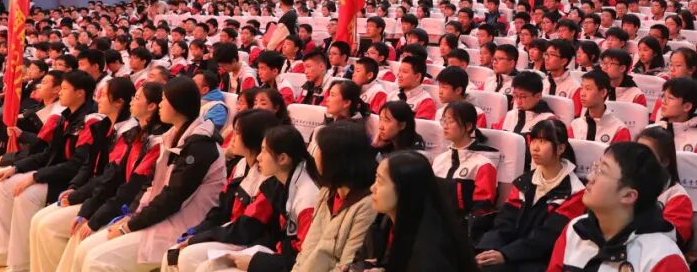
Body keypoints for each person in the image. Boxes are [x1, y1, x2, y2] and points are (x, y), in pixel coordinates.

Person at [69, 76, 226, 272]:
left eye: (164, 100)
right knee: (85, 248)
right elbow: (150, 185)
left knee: (97, 259)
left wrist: (129, 226)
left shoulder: (200, 147)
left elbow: (172, 198)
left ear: (178, 105)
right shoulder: (172, 137)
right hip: (154, 216)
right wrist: (131, 216)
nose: (160, 105)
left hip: (180, 223)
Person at [0, 70, 98, 272]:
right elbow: (47, 153)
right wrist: (16, 167)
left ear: (80, 93)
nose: (60, 93)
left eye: (65, 88)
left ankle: (19, 261)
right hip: (53, 172)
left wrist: (35, 177)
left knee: (25, 193)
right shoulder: (65, 117)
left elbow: (75, 165)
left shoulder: (90, 122)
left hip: (69, 181)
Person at [172, 125, 319, 272]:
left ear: (282, 158)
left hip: (285, 261)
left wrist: (254, 261)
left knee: (203, 265)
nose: (259, 157)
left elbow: (304, 259)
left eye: (264, 151)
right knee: (193, 260)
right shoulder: (276, 181)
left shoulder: (306, 198)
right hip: (269, 251)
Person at [27, 76, 136, 272]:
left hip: (106, 198)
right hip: (91, 192)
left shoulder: (129, 134)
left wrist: (78, 197)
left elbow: (109, 179)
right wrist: (74, 187)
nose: (98, 98)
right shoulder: (102, 126)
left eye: (103, 95)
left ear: (119, 102)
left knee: (49, 226)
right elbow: (88, 165)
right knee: (38, 220)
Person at [546, 142, 687, 272]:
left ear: (628, 196)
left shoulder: (662, 257)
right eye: (596, 167)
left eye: (601, 172)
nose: (589, 177)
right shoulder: (575, 229)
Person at [476, 119, 584, 272]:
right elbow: (505, 222)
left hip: (543, 260)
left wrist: (506, 254)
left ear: (560, 148)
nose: (535, 147)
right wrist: (487, 250)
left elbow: (547, 237)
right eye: (533, 140)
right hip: (513, 252)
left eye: (543, 141)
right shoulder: (524, 182)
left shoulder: (575, 192)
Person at [352, 150, 479, 272]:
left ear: (404, 189)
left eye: (380, 181)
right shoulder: (384, 222)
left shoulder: (431, 250)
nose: (372, 188)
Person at [292, 121, 378, 272]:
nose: (315, 154)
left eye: (320, 150)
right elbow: (308, 248)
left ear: (337, 158)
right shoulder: (327, 191)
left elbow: (347, 264)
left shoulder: (367, 204)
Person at [434, 101, 498, 238]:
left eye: (451, 121)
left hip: (461, 233)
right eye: (444, 120)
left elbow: (481, 210)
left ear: (468, 126)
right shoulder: (439, 160)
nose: (445, 126)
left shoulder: (483, 165)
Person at [636, 126, 694, 247]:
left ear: (664, 161)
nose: (638, 159)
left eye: (646, 154)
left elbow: (673, 238)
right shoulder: (626, 185)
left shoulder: (677, 196)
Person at [656, 77, 697, 157]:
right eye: (663, 96)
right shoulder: (649, 132)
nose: (663, 101)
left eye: (670, 98)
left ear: (687, 107)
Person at [569, 69, 630, 144]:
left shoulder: (618, 129)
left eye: (588, 89)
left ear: (603, 92)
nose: (582, 94)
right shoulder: (575, 125)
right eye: (582, 88)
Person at [386, 55, 436, 120]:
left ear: (417, 77)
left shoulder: (426, 102)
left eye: (404, 72)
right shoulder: (392, 95)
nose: (399, 75)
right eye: (399, 71)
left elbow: (419, 125)